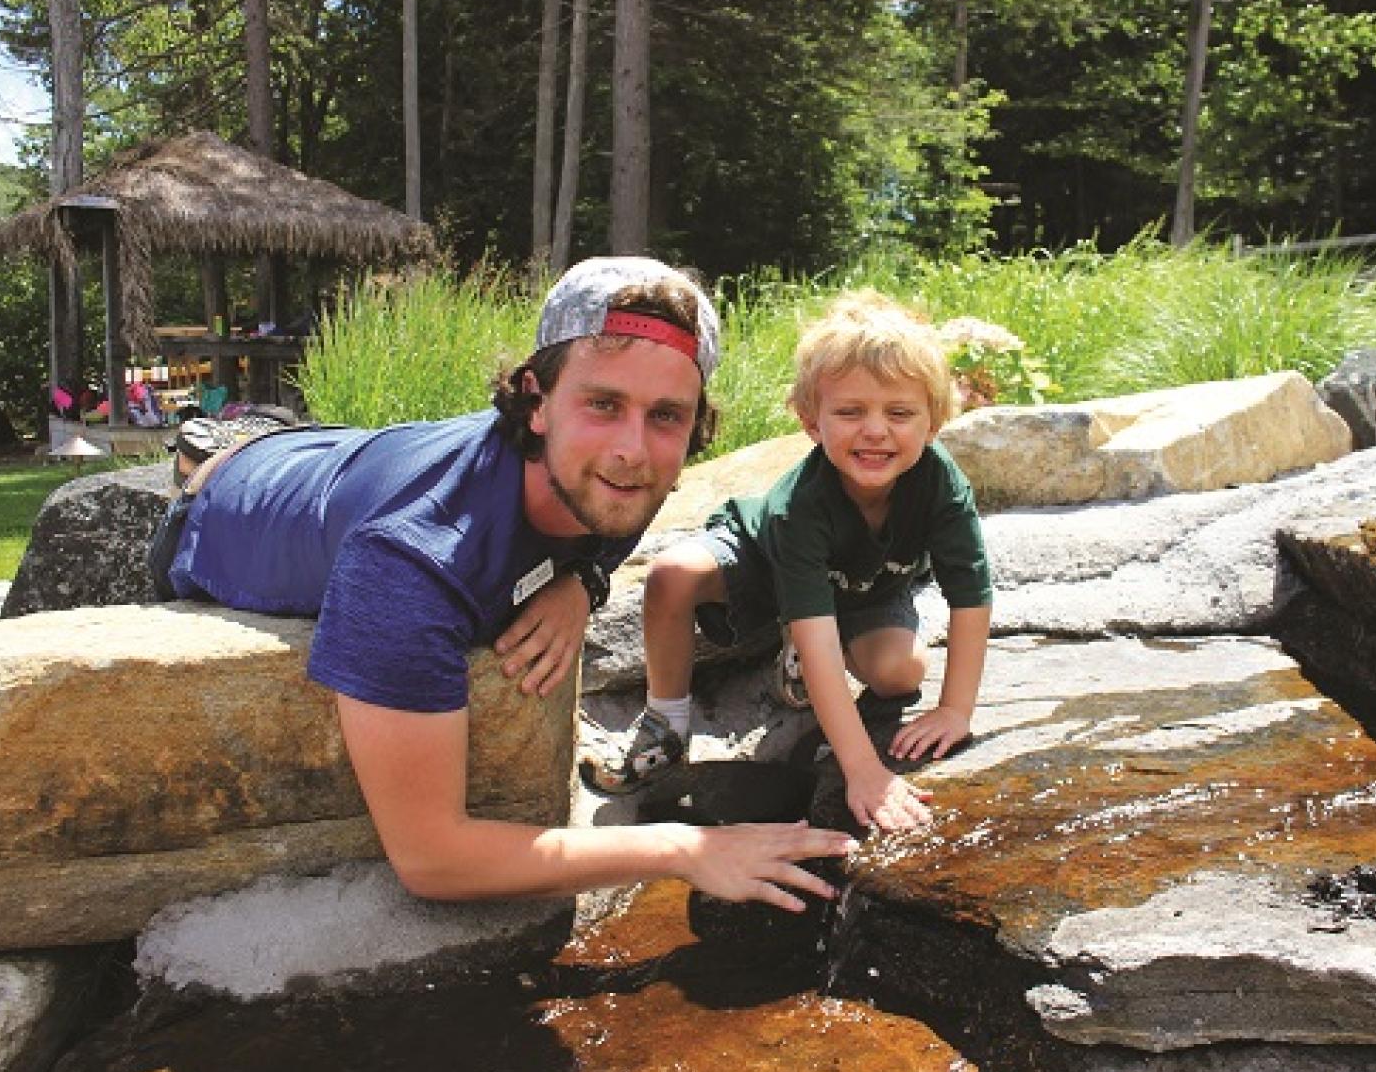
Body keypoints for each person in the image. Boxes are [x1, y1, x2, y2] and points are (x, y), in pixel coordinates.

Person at [148, 256, 857, 913]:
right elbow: (431, 858)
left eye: (665, 415)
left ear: (694, 425)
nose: (632, 449)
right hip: (214, 510)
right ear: (534, 399)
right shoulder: (409, 563)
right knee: (232, 464)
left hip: (342, 453)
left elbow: (619, 507)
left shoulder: (612, 475)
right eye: (603, 404)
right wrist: (685, 849)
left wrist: (583, 579)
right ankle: (210, 449)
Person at [587, 290, 994, 833]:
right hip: (764, 560)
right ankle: (666, 722)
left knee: (901, 673)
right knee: (670, 576)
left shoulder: (943, 486)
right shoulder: (799, 507)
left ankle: (794, 664)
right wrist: (862, 771)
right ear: (810, 421)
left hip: (866, 589)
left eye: (899, 413)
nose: (875, 430)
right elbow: (817, 635)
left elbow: (971, 597)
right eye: (849, 412)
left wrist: (955, 711)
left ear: (935, 421)